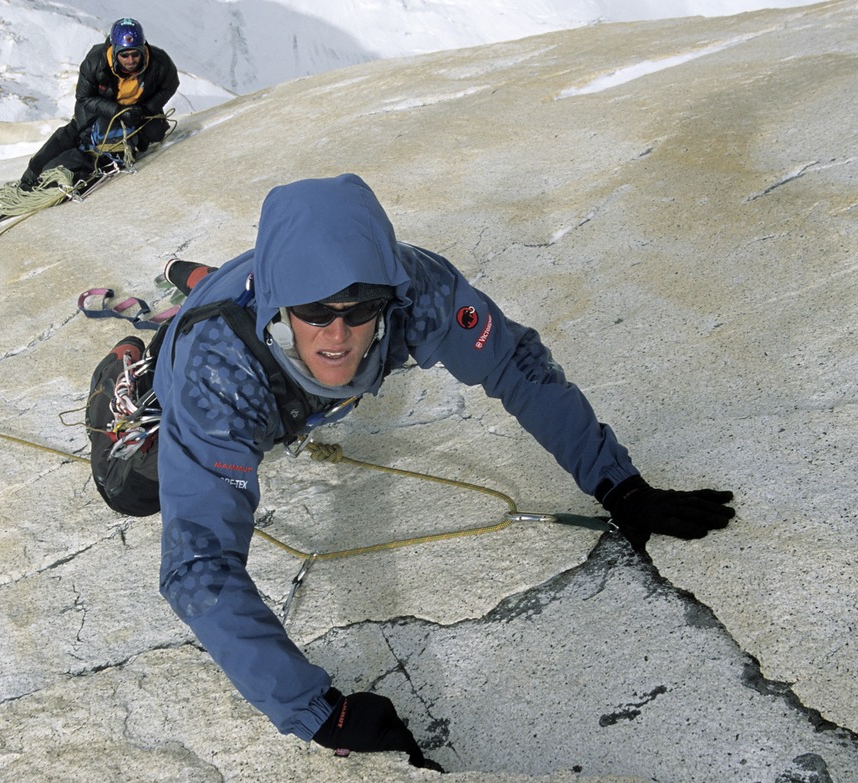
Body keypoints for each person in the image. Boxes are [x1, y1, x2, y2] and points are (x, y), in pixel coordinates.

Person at [148, 174, 735, 770]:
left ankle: (198, 275)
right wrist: (316, 712)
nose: (337, 333)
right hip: (200, 359)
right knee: (135, 489)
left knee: (278, 296)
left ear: (386, 298)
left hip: (268, 298)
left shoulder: (414, 290)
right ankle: (143, 352)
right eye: (314, 311)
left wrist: (621, 486)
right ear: (282, 308)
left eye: (360, 311)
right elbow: (197, 568)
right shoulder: (216, 379)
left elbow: (514, 363)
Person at [19, 17, 179, 189]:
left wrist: (147, 108)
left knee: (153, 131)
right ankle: (31, 177)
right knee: (73, 136)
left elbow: (170, 85)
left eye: (135, 54)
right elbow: (84, 98)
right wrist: (117, 111)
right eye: (124, 55)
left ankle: (78, 168)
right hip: (97, 111)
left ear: (143, 49)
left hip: (137, 112)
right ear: (115, 50)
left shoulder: (159, 62)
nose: (130, 60)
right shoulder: (95, 63)